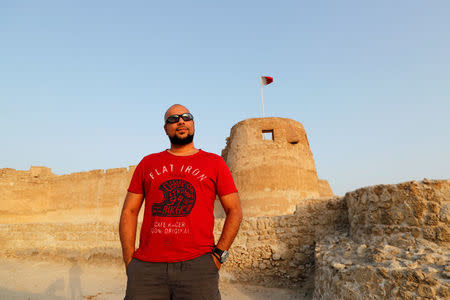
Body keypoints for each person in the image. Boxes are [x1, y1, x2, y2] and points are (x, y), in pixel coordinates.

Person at [119, 104, 243, 300]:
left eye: (186, 117)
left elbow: (234, 210)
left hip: (199, 267)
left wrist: (218, 256)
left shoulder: (214, 163)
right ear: (165, 128)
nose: (180, 121)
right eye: (173, 119)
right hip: (147, 268)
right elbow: (129, 212)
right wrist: (130, 261)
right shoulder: (148, 163)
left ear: (193, 123)